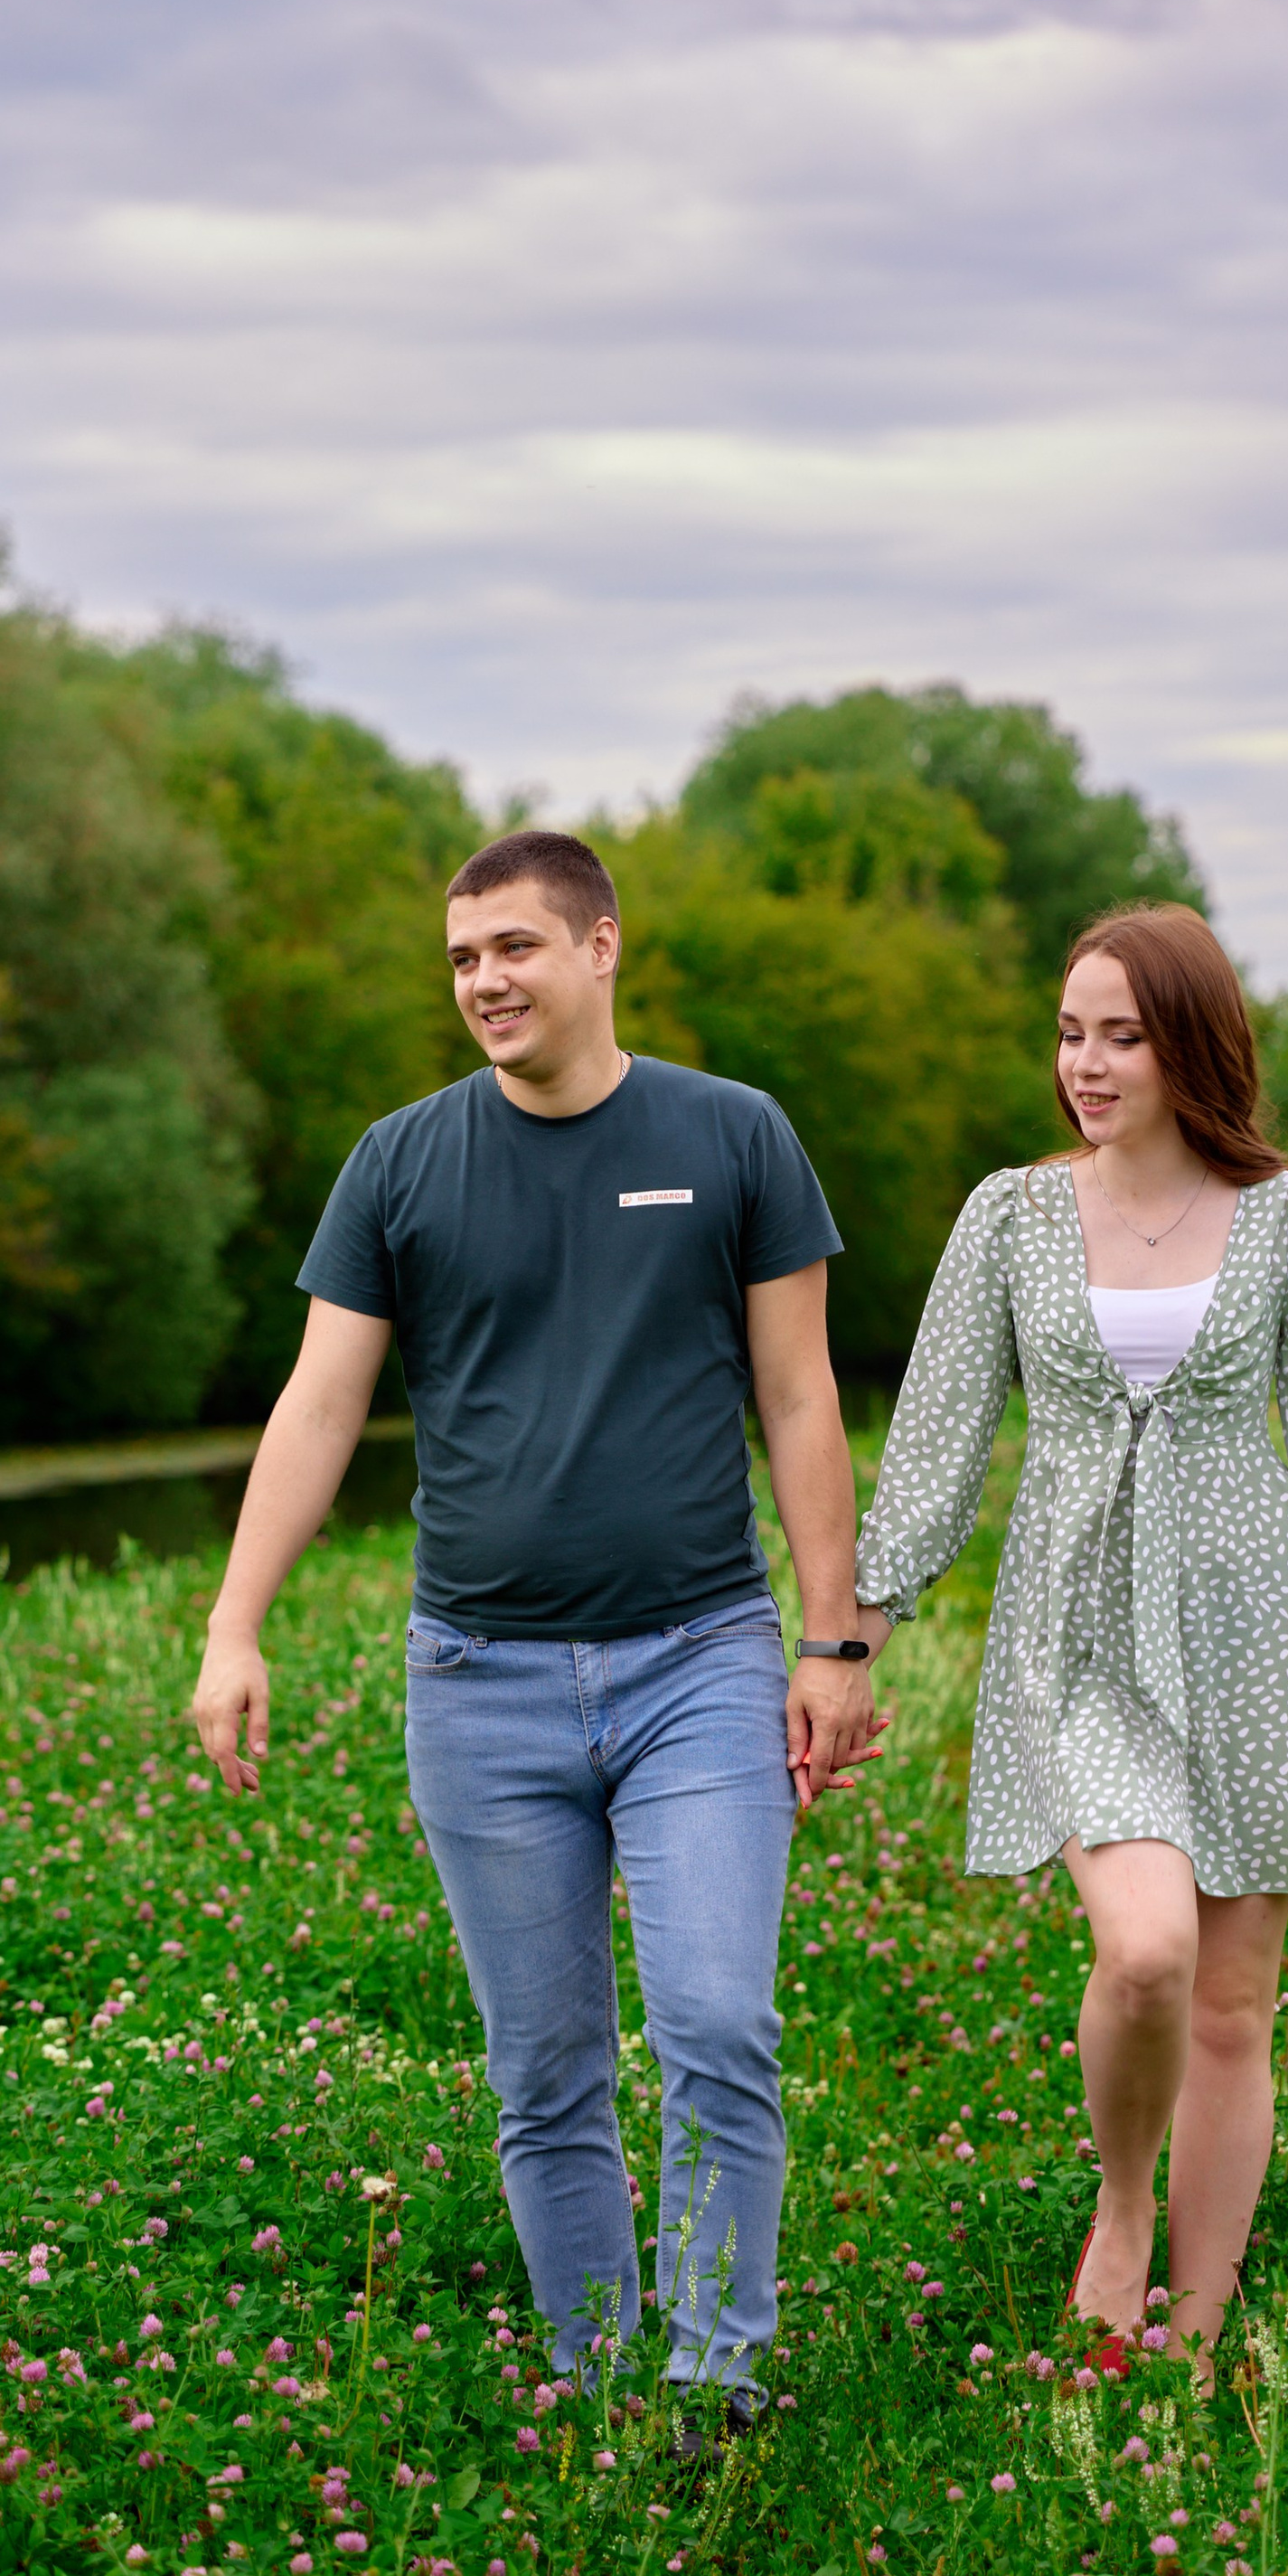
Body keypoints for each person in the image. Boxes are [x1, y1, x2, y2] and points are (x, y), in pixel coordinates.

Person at [189, 826, 879, 2437]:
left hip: (699, 1660)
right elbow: (318, 1402)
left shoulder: (733, 1135)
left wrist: (833, 1641)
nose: (484, 981)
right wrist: (237, 1622)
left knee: (716, 2020)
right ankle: (600, 2384)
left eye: (513, 947)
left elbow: (799, 1396)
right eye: (460, 958)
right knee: (547, 2073)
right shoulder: (400, 1162)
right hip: (478, 1685)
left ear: (602, 947)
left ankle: (715, 2386)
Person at [851, 901, 1288, 2382]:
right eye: (1071, 1033)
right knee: (1151, 1952)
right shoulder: (1010, 1216)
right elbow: (935, 1442)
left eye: (1122, 1034)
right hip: (1082, 1637)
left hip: (1260, 1631)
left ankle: (1195, 2330)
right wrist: (850, 1634)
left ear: (1193, 1046)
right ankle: (1124, 2207)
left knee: (1238, 2002)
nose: (1089, 1064)